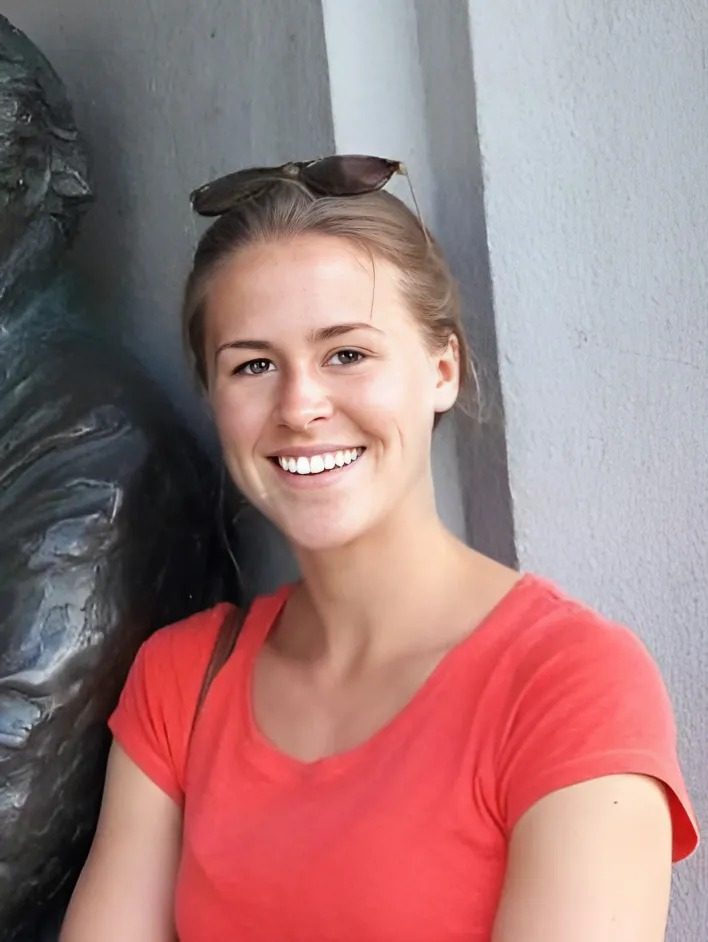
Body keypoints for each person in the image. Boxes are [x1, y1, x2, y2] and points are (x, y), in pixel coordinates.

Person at [61, 156, 698, 942]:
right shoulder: (181, 683)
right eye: (253, 365)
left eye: (347, 354)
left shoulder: (567, 683)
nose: (300, 405)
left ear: (441, 369)